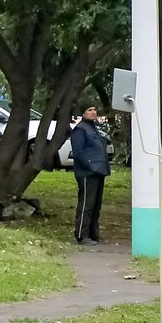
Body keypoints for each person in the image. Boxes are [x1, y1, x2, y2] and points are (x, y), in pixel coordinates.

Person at [69, 105, 111, 245]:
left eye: (94, 110)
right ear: (83, 112)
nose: (93, 112)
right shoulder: (80, 130)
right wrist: (90, 166)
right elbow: (79, 152)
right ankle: (82, 235)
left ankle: (93, 234)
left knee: (96, 205)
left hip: (99, 171)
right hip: (88, 173)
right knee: (87, 204)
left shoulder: (93, 128)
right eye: (89, 110)